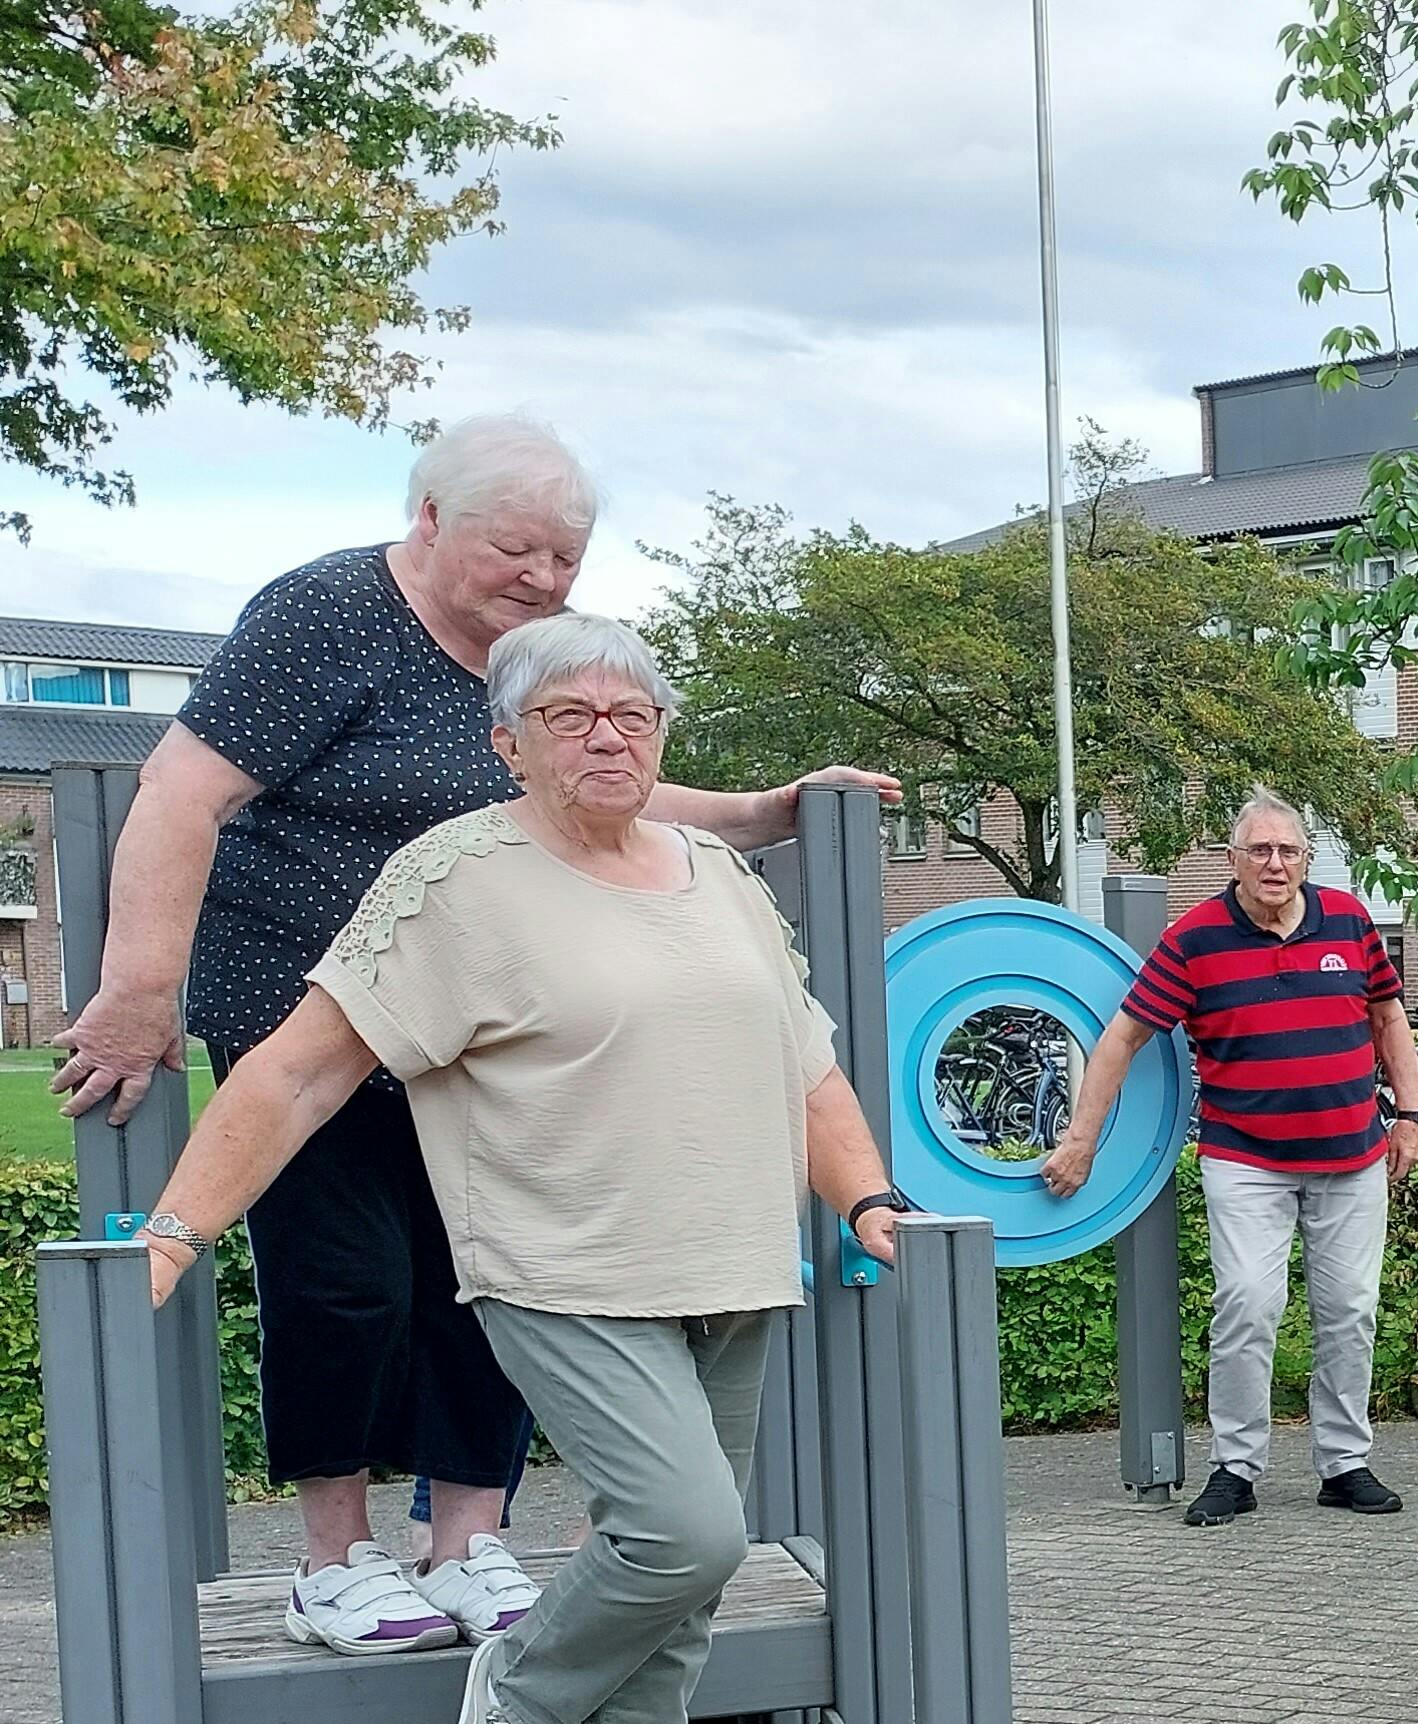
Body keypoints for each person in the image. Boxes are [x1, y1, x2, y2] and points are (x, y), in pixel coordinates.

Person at [133, 616, 909, 1724]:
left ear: (661, 736)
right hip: (564, 1272)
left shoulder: (721, 879)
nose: (607, 735)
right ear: (507, 743)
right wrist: (174, 1232)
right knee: (685, 1536)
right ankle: (528, 1690)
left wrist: (870, 1202)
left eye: (631, 713)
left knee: (679, 1598)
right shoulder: (457, 880)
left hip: (731, 1271)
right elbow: (299, 1072)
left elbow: (808, 1071)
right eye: (569, 715)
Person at [47, 417, 881, 1656]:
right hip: (314, 1001)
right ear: (430, 519)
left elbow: (594, 779)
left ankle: (466, 1541)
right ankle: (334, 1556)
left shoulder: (537, 660)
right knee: (345, 1279)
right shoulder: (326, 617)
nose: (543, 579)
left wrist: (767, 811)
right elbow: (183, 790)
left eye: (566, 558)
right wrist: (137, 989)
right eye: (516, 550)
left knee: (488, 1271)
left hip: (488, 1017)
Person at [1042, 795, 1418, 1526]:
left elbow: (1388, 1017)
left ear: (1307, 858)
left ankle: (1344, 1463)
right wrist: (1080, 1141)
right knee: (1247, 1305)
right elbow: (1122, 1038)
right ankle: (1235, 1468)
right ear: (1233, 860)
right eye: (1260, 851)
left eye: (1289, 851)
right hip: (1246, 1159)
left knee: (1351, 1312)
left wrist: (1409, 1116)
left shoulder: (1349, 921)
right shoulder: (1194, 940)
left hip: (1352, 1156)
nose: (1275, 864)